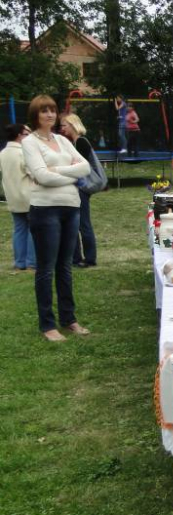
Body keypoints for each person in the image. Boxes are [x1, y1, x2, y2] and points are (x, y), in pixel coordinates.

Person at [22, 95, 91, 342]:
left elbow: (86, 168)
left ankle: (69, 319)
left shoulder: (62, 140)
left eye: (52, 110)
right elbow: (42, 177)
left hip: (71, 207)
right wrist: (71, 174)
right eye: (44, 111)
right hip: (45, 210)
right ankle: (47, 325)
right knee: (46, 268)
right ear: (36, 115)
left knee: (65, 267)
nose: (50, 115)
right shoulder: (30, 143)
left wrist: (59, 171)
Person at [60, 114, 99, 267]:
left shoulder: (81, 142)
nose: (62, 129)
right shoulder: (74, 142)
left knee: (83, 224)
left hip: (82, 188)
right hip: (77, 188)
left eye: (64, 125)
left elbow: (77, 168)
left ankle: (89, 258)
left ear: (73, 125)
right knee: (74, 224)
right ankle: (75, 258)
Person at [1, 123, 35, 270]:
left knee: (19, 229)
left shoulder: (2, 153)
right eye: (27, 133)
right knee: (32, 229)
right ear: (20, 135)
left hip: (13, 197)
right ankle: (31, 262)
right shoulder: (23, 152)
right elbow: (34, 172)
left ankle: (19, 262)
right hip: (29, 196)